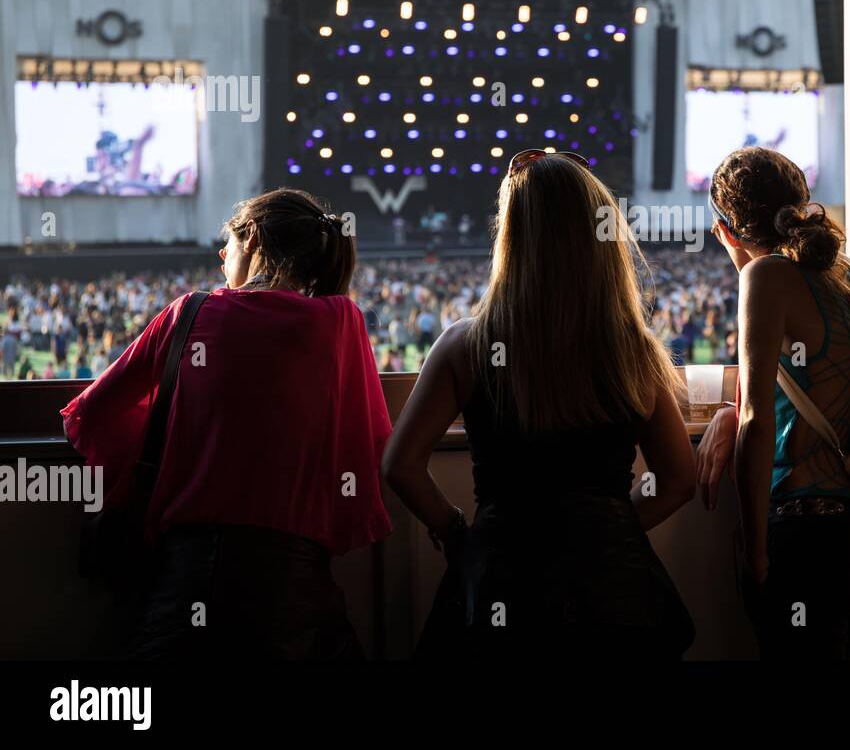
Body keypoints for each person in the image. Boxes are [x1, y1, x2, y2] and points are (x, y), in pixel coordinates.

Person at [384, 149, 697, 659]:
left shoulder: (465, 345)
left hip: (503, 577)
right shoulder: (633, 351)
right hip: (615, 593)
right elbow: (679, 479)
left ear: (512, 238)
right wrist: (611, 526)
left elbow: (400, 465)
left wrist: (457, 533)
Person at [61, 188, 392, 659]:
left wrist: (175, 449)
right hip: (298, 585)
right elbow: (369, 440)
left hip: (189, 577)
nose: (222, 253)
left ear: (252, 237)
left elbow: (89, 417)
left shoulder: (188, 313)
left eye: (230, 241)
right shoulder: (341, 320)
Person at [696, 146, 850, 659]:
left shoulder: (763, 277)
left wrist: (755, 552)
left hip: (809, 542)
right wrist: (727, 411)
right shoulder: (843, 278)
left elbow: (759, 423)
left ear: (725, 231)